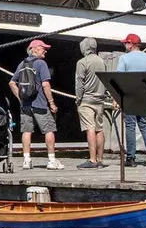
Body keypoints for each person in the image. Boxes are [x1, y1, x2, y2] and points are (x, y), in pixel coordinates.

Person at [9, 38, 63, 171]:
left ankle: (26, 160)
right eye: (43, 48)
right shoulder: (41, 64)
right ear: (34, 49)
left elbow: (11, 83)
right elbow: (45, 84)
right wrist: (51, 103)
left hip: (25, 105)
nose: (45, 50)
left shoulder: (22, 64)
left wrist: (20, 98)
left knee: (26, 131)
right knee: (49, 130)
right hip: (40, 104)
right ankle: (51, 160)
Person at [117, 33, 146, 166]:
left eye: (125, 43)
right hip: (145, 95)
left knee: (130, 126)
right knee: (144, 124)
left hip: (129, 95)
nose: (124, 45)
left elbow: (119, 79)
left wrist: (116, 97)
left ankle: (131, 157)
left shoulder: (124, 58)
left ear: (130, 44)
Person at [74, 37, 107, 169]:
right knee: (99, 128)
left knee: (90, 128)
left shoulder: (82, 62)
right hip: (100, 100)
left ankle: (92, 159)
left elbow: (79, 84)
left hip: (86, 99)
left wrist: (78, 99)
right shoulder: (102, 61)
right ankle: (100, 160)